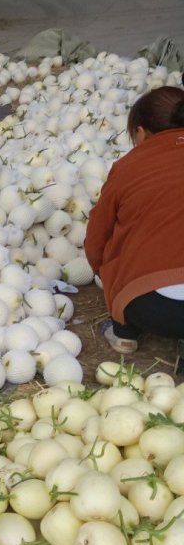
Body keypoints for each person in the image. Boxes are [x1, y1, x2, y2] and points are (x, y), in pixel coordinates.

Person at [84, 86, 184, 353]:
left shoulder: (128, 166)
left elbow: (96, 240)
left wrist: (105, 274)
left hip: (151, 307)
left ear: (140, 132)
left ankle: (124, 332)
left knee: (118, 251)